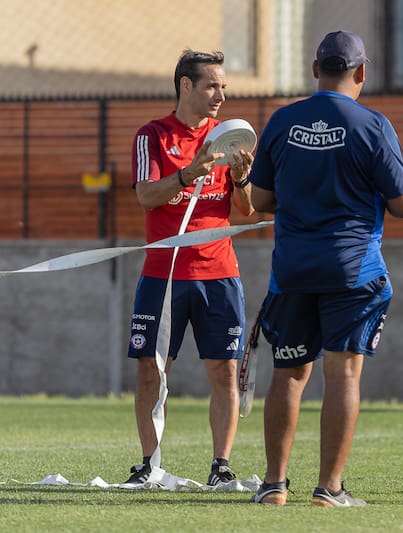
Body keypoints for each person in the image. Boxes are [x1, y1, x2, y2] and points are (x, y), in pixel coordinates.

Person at [247, 30, 403, 507]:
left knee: (288, 374)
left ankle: (274, 485)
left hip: (293, 271)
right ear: (361, 73)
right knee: (343, 376)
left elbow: (259, 201)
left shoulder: (281, 122)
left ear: (314, 69)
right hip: (352, 271)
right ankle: (329, 489)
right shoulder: (372, 125)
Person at [126, 49, 255, 486]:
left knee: (224, 370)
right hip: (163, 275)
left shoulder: (228, 136)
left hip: (219, 273)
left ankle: (221, 466)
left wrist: (240, 179)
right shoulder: (152, 137)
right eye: (212, 86)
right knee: (151, 367)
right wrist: (188, 173)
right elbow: (145, 197)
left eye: (223, 88)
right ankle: (149, 464)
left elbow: (247, 210)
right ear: (186, 85)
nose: (220, 95)